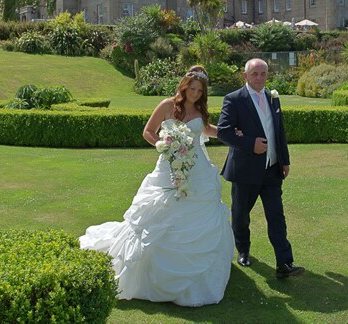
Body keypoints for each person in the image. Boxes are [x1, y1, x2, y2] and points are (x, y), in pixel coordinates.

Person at [80, 66, 234, 307]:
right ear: (184, 85)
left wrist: (231, 134)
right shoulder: (167, 105)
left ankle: (198, 271)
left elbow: (206, 131)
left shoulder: (200, 110)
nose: (194, 93)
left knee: (201, 212)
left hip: (198, 170)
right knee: (157, 216)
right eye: (192, 88)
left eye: (199, 90)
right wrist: (164, 145)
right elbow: (148, 132)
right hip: (167, 168)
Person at [217, 58, 305, 279]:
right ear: (245, 76)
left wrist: (284, 160)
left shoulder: (273, 98)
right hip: (245, 171)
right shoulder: (234, 99)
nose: (259, 77)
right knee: (240, 216)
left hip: (272, 170)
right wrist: (250, 144)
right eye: (254, 74)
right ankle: (243, 250)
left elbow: (279, 132)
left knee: (277, 217)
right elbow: (223, 132)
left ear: (268, 75)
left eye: (263, 73)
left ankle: (284, 263)